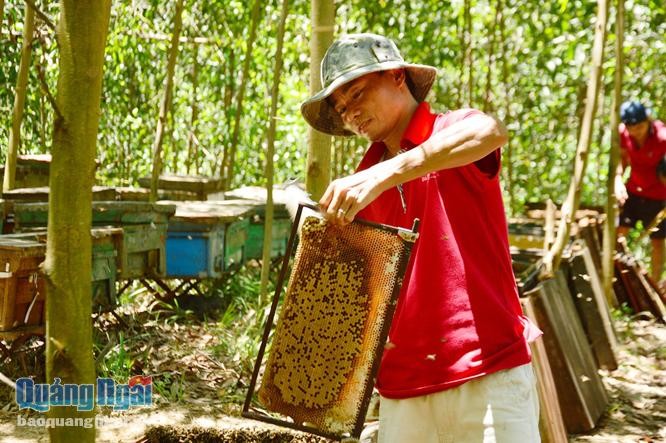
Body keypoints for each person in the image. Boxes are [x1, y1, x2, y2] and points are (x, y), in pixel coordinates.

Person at [300, 33, 542, 443]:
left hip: (488, 369)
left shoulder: (451, 130)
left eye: (356, 93)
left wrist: (386, 173)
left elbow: (491, 131)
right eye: (341, 109)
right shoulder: (360, 182)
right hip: (402, 387)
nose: (350, 113)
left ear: (397, 76)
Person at [614, 100, 666, 287]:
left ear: (648, 121)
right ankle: (619, 279)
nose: (636, 132)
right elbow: (622, 159)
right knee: (619, 234)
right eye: (632, 128)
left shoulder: (662, 137)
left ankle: (656, 285)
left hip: (658, 196)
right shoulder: (623, 133)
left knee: (658, 241)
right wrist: (618, 180)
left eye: (640, 127)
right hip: (633, 191)